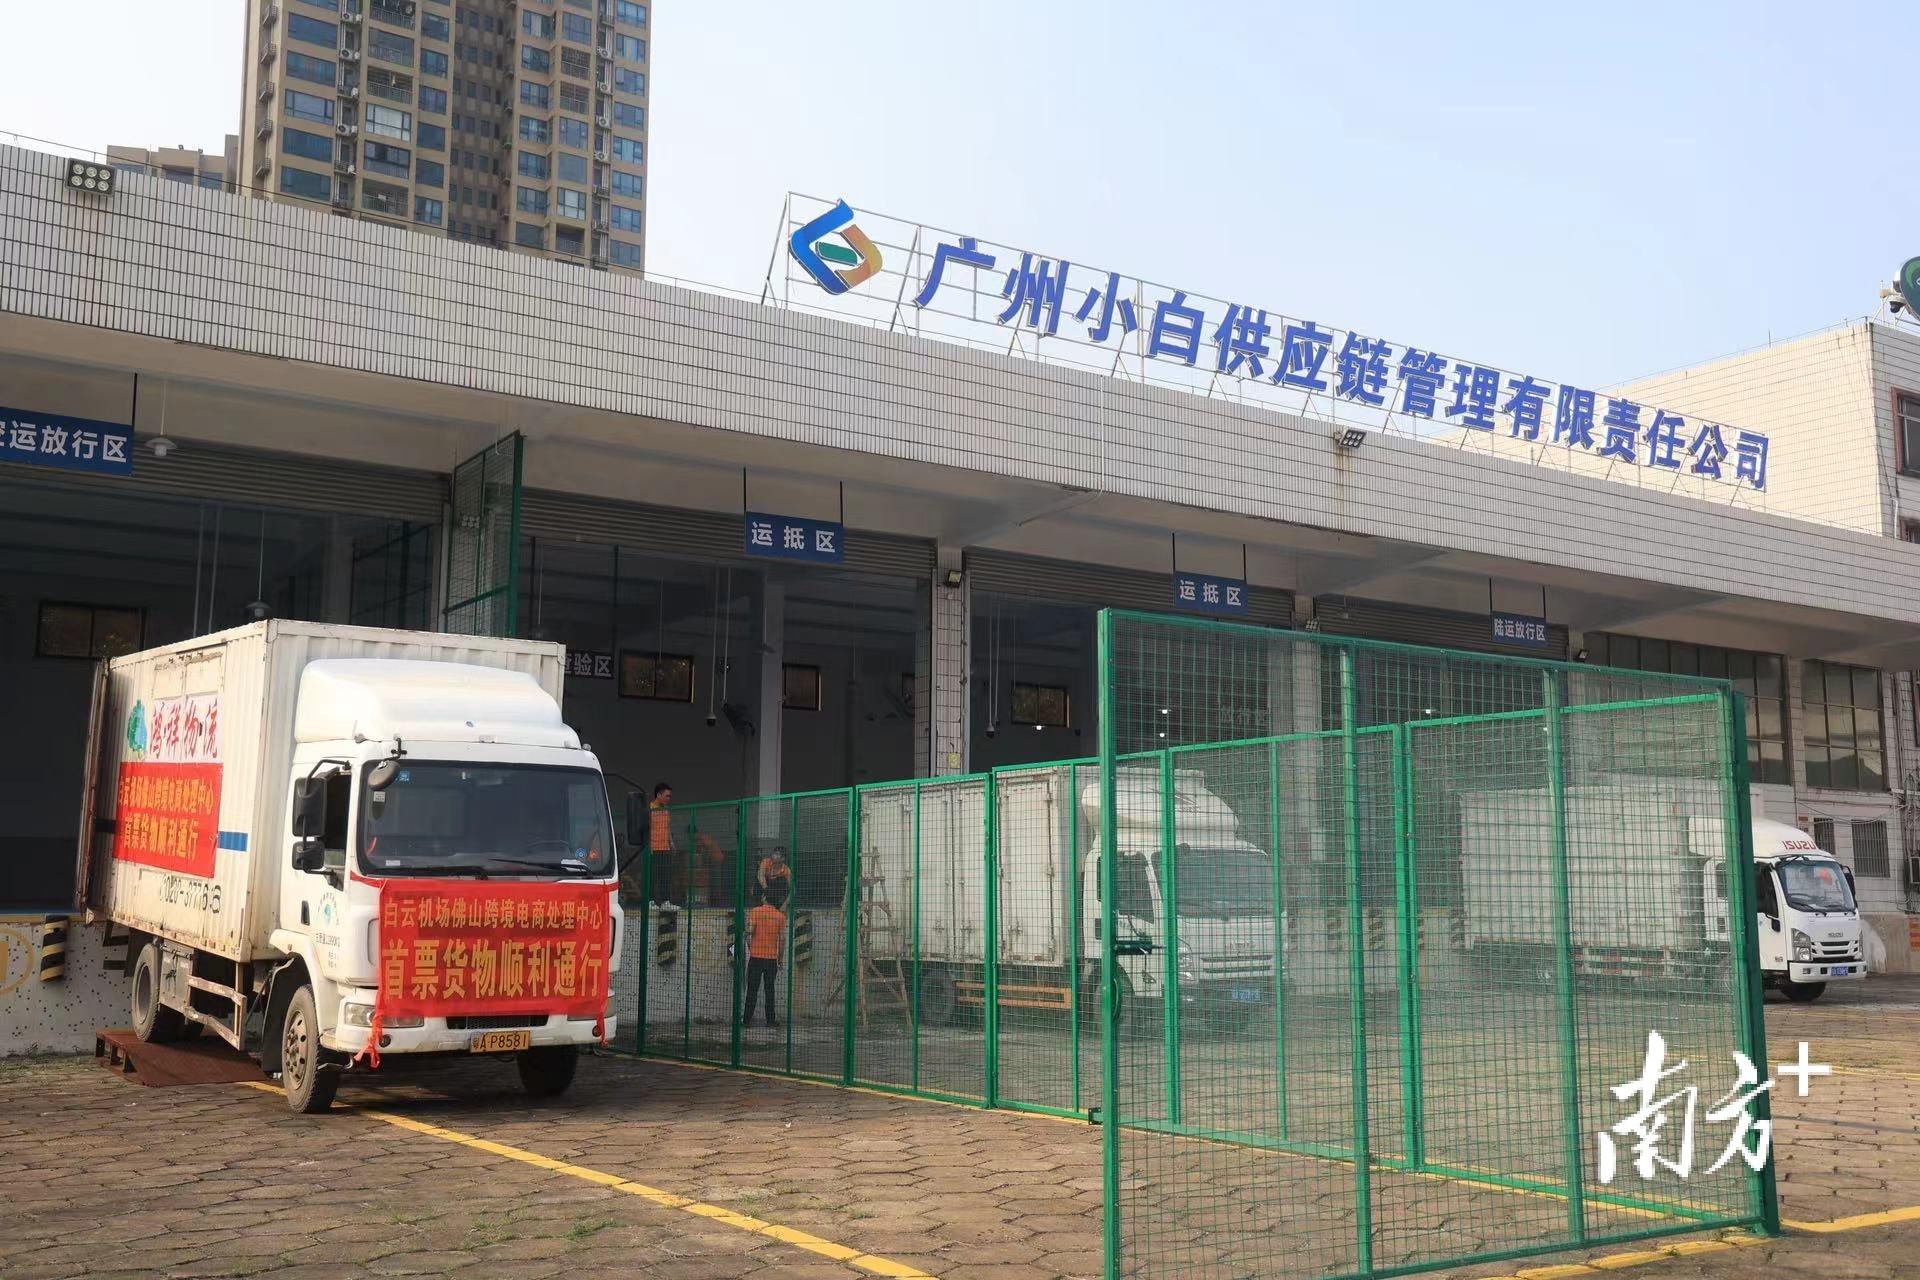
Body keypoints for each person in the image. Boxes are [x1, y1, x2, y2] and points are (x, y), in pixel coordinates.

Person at [743, 888, 786, 1028]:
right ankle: (770, 1021)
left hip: (756, 957)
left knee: (752, 990)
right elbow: (782, 940)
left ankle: (746, 1020)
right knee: (770, 990)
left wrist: (748, 938)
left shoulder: (755, 912)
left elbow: (750, 931)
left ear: (764, 897)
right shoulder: (780, 916)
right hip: (771, 959)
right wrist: (780, 959)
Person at [647, 782, 679, 907]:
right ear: (658, 795)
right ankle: (650, 902)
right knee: (653, 876)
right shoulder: (649, 808)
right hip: (653, 848)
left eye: (669, 796)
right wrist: (648, 846)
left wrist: (671, 843)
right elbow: (646, 829)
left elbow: (667, 827)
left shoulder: (666, 810)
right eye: (667, 796)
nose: (669, 798)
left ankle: (665, 902)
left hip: (665, 848)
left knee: (665, 876)